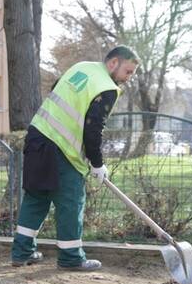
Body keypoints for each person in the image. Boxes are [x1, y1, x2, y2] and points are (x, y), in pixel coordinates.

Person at [10, 46, 139, 271]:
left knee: (36, 197)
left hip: (37, 136)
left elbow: (56, 89)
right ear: (113, 63)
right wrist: (97, 164)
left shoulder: (81, 68)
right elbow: (93, 129)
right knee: (71, 203)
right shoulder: (107, 88)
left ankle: (22, 252)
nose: (129, 78)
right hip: (63, 150)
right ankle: (71, 258)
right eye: (128, 72)